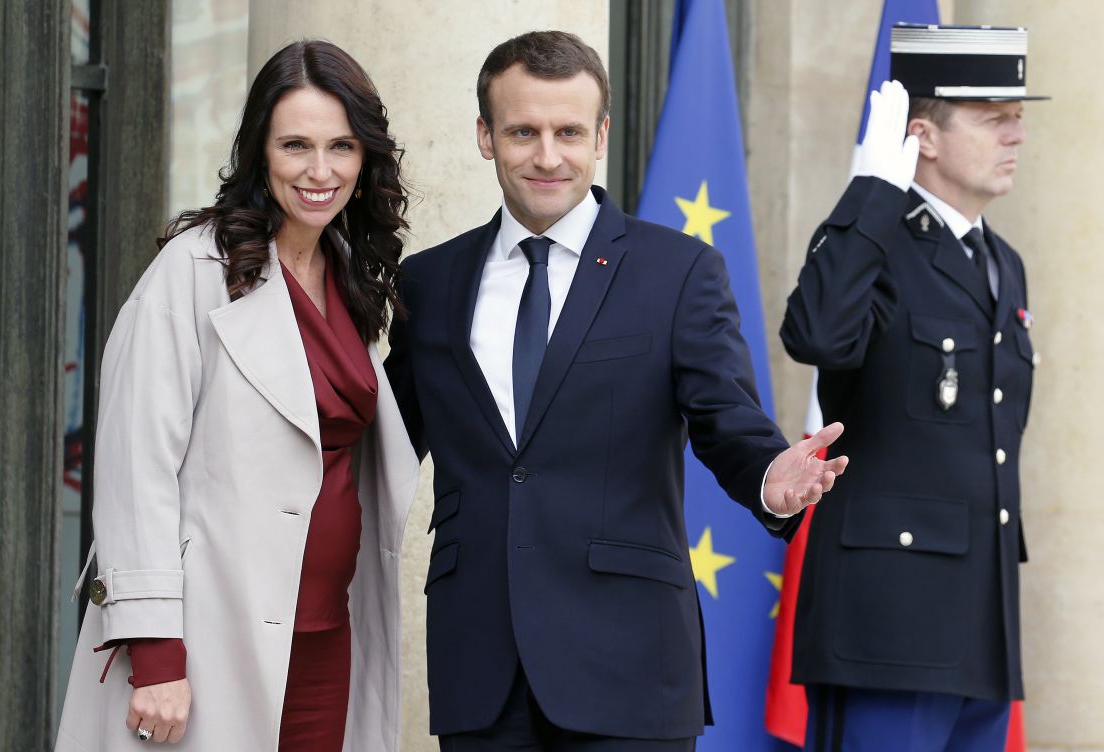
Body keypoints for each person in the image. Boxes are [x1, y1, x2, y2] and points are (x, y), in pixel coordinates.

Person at [384, 30, 849, 751]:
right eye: (522, 131)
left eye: (569, 131)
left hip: (630, 667)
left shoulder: (678, 272)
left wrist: (768, 475)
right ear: (485, 136)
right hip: (480, 668)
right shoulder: (428, 283)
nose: (547, 155)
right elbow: (381, 443)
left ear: (601, 135)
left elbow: (726, 417)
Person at [54, 40, 418, 751]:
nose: (321, 171)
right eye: (296, 146)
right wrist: (157, 653)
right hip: (210, 639)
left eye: (342, 146)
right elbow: (137, 469)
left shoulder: (349, 271)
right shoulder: (190, 270)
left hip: (326, 634)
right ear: (259, 152)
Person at [780, 24, 1047, 751]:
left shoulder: (1002, 261)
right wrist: (871, 191)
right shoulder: (873, 240)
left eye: (1018, 116)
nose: (1016, 134)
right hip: (885, 631)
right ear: (922, 135)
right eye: (995, 118)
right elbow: (817, 336)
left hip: (979, 629)